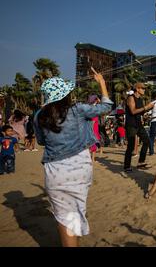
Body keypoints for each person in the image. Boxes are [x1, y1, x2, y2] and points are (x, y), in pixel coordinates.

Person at [33, 70, 113, 247]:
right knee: (75, 213)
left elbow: (40, 141)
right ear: (66, 95)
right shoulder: (77, 110)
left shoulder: (39, 116)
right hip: (80, 167)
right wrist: (102, 83)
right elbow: (106, 107)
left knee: (65, 217)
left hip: (55, 171)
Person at [123, 83, 154, 172]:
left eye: (144, 89)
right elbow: (133, 111)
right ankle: (126, 166)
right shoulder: (131, 97)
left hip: (138, 124)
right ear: (137, 89)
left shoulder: (140, 99)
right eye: (142, 88)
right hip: (131, 125)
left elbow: (140, 112)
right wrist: (146, 107)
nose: (144, 90)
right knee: (131, 146)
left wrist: (147, 110)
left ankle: (141, 162)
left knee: (147, 141)